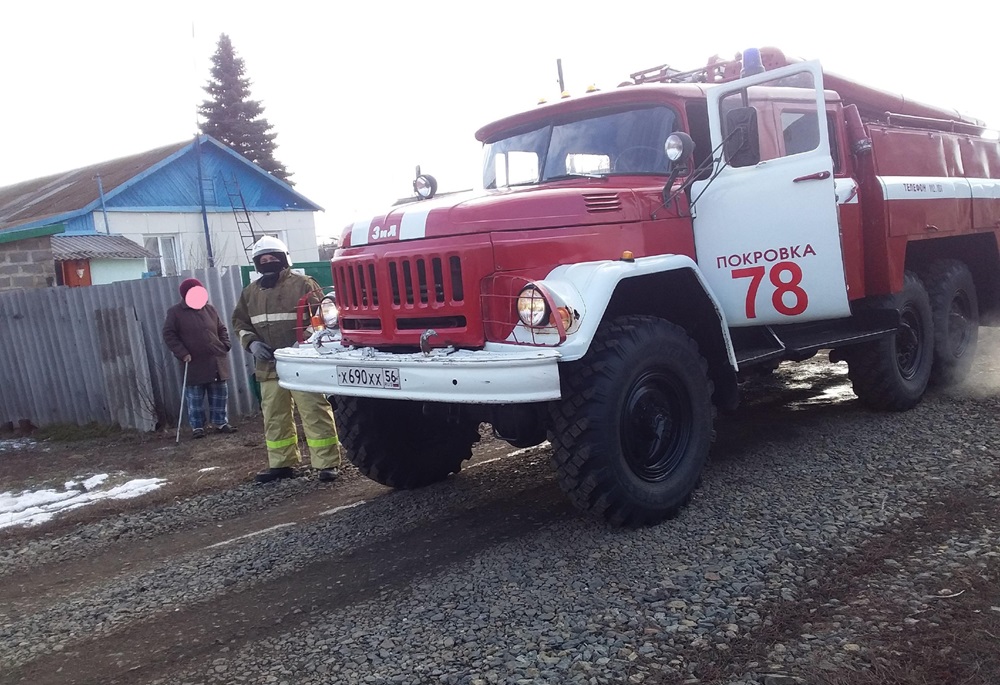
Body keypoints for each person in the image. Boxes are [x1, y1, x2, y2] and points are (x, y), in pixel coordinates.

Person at [232, 236, 341, 483]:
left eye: (272, 258)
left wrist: (302, 343)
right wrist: (252, 343)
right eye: (263, 259)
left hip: (301, 363)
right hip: (268, 366)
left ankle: (327, 463)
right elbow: (239, 322)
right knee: (274, 416)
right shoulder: (250, 292)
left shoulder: (304, 284)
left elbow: (321, 317)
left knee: (313, 411)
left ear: (283, 259)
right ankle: (281, 464)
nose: (267, 262)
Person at [162, 278, 237, 438]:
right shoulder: (175, 312)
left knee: (219, 394)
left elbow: (221, 328)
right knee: (195, 398)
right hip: (193, 362)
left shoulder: (210, 309)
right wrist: (182, 353)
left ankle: (220, 423)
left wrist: (225, 345)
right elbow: (169, 334)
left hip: (216, 360)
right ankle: (198, 427)